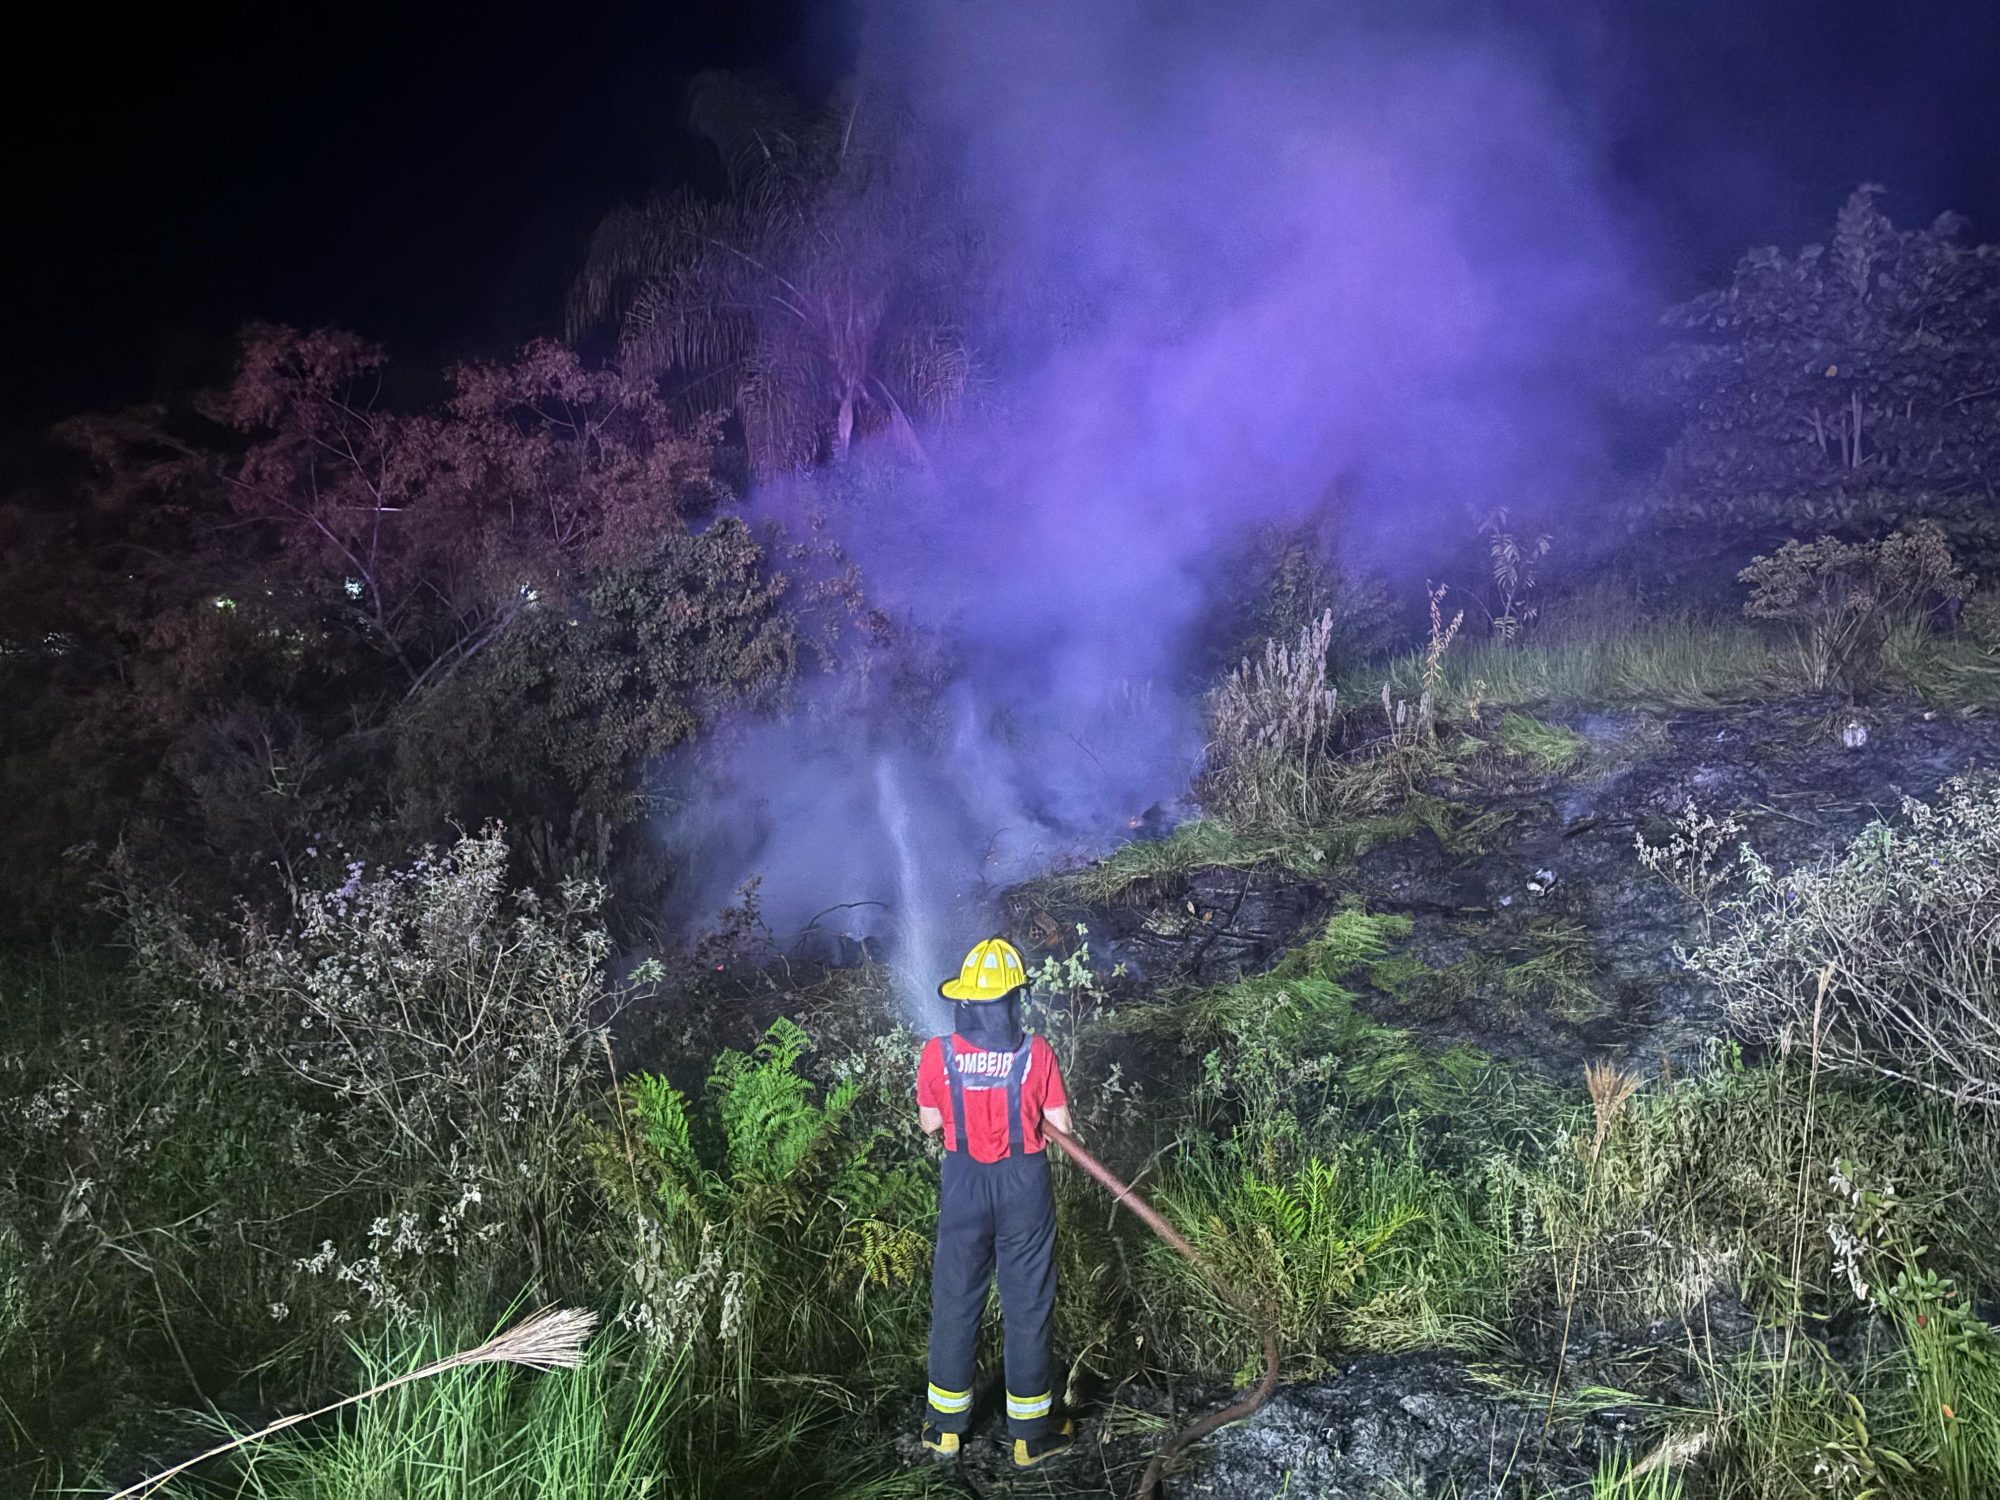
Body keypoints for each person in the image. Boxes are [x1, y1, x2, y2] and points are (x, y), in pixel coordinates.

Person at [916, 936, 1076, 1468]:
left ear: (966, 1002)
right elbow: (1063, 1130)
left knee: (956, 1301)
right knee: (1027, 1306)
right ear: (1014, 1001)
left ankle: (944, 1430)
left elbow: (931, 1123)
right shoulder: (1039, 1053)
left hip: (963, 1185)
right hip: (1022, 1186)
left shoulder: (936, 1054)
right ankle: (1030, 1436)